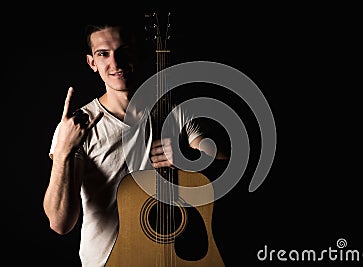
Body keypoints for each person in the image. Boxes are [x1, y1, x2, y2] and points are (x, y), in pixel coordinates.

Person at [43, 19, 228, 267]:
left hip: (172, 260)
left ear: (137, 53)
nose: (115, 63)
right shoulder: (77, 127)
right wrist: (64, 151)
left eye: (123, 52)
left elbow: (226, 161)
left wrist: (190, 158)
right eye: (103, 54)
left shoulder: (173, 113)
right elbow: (60, 223)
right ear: (92, 63)